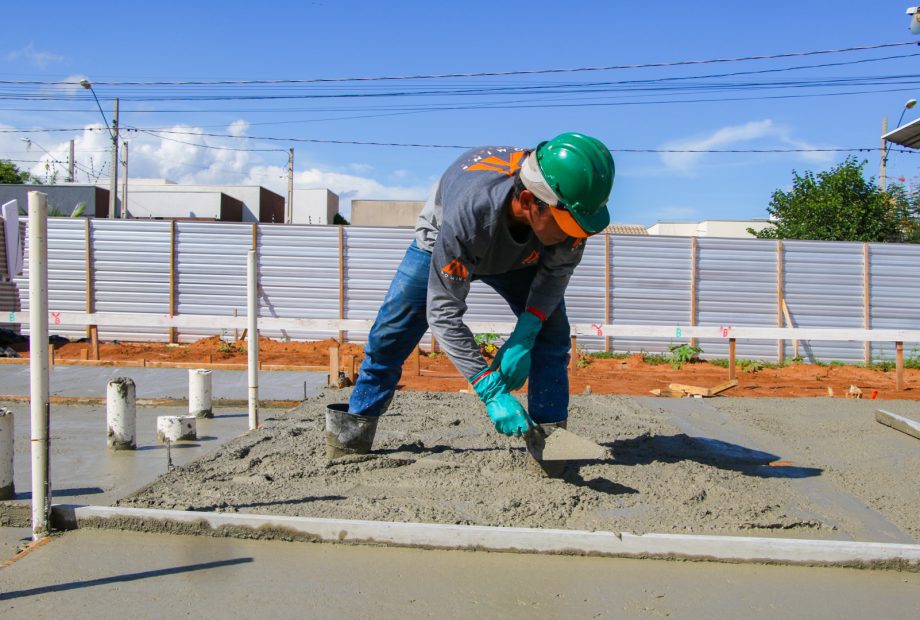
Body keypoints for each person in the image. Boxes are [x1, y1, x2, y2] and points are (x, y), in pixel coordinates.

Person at [325, 132, 614, 475]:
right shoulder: (469, 215)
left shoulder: (573, 213)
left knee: (551, 336)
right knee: (390, 335)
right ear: (527, 201)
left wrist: (527, 330)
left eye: (582, 227)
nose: (575, 235)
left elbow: (554, 276)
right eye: (567, 226)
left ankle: (550, 450)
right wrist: (489, 388)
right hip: (444, 242)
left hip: (523, 256)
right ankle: (352, 437)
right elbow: (443, 313)